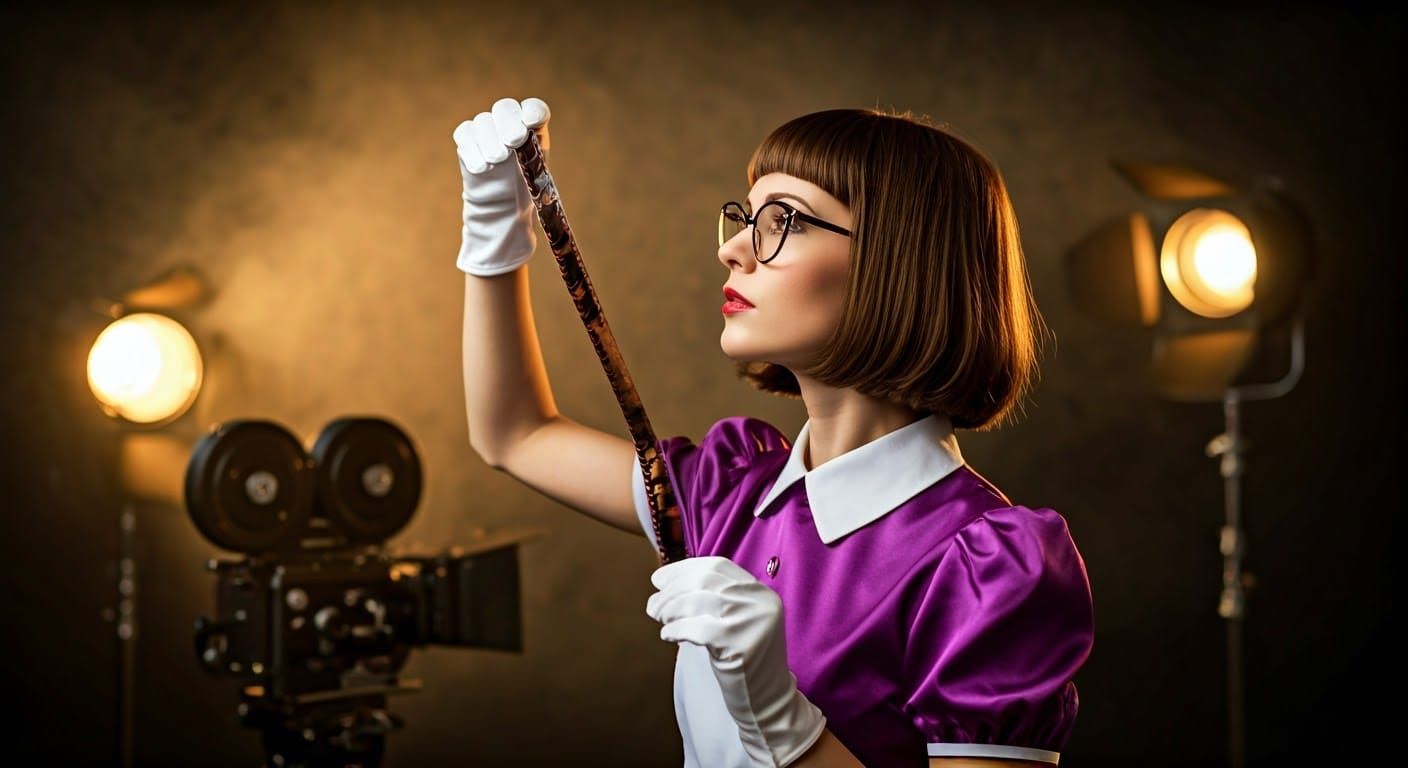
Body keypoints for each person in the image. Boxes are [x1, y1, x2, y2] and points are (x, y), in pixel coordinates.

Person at [456, 97, 1094, 768]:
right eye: (743, 216)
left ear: (895, 261)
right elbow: (513, 435)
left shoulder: (987, 568)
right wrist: (496, 233)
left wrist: (785, 720)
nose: (734, 250)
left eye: (782, 220)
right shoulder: (727, 492)